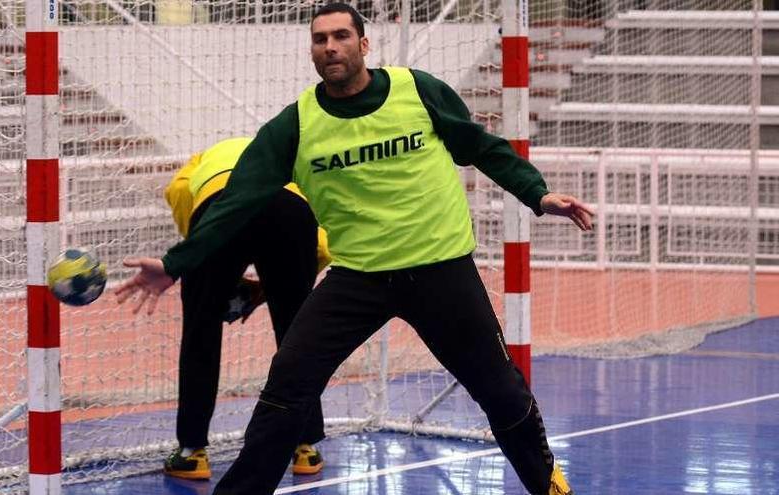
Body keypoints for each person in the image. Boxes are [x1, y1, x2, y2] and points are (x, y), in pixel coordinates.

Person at [116, 4, 593, 494]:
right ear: (313, 52)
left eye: (341, 36)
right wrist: (176, 263)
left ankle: (551, 488)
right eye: (320, 39)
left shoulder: (418, 90)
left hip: (441, 271)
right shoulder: (295, 126)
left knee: (501, 392)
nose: (330, 46)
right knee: (286, 389)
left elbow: (481, 147)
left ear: (364, 45)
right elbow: (235, 203)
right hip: (358, 278)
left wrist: (537, 193)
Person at [142, 137, 331, 480]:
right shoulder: (294, 168)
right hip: (289, 210)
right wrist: (278, 288)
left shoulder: (201, 160)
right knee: (298, 334)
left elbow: (180, 193)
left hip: (218, 206)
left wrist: (204, 270)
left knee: (201, 332)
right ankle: (306, 447)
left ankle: (191, 453)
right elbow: (320, 247)